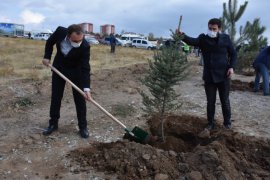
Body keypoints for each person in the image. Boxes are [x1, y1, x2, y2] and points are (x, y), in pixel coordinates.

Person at [177, 18, 237, 130]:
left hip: (224, 75)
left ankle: (227, 123)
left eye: (214, 29)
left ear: (219, 29)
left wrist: (231, 67)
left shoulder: (225, 39)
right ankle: (210, 123)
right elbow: (192, 41)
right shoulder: (203, 38)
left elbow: (233, 54)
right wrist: (182, 35)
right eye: (210, 28)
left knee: (225, 100)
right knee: (210, 102)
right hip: (209, 76)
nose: (211, 31)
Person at [42, 24, 91, 138]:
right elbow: (50, 42)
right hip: (59, 68)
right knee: (56, 97)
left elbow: (85, 68)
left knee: (80, 100)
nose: (78, 43)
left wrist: (86, 88)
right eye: (75, 41)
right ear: (68, 36)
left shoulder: (85, 46)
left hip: (76, 72)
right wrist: (47, 56)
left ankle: (83, 127)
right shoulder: (60, 31)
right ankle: (53, 124)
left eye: (80, 40)